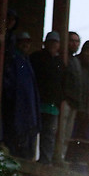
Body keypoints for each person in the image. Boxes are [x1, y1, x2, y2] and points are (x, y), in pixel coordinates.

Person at [65, 41, 89, 173]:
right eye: (86, 51)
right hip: (75, 108)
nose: (88, 54)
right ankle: (68, 165)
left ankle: (81, 167)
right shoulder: (75, 64)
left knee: (85, 141)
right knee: (71, 138)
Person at [2, 31, 40, 159]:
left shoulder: (26, 60)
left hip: (26, 105)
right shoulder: (14, 59)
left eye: (27, 43)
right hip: (16, 103)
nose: (26, 45)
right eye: (23, 42)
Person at [30, 31, 65, 165]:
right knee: (33, 129)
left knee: (49, 134)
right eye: (50, 42)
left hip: (52, 105)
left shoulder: (60, 63)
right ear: (45, 43)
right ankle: (30, 156)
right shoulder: (36, 58)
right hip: (37, 101)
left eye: (55, 42)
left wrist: (59, 99)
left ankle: (45, 159)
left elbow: (64, 83)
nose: (53, 45)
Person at [54, 31, 81, 164]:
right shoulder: (64, 58)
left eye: (77, 41)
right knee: (60, 131)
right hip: (65, 100)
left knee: (67, 134)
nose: (74, 44)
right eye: (72, 40)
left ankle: (61, 157)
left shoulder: (76, 60)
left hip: (73, 102)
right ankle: (57, 157)